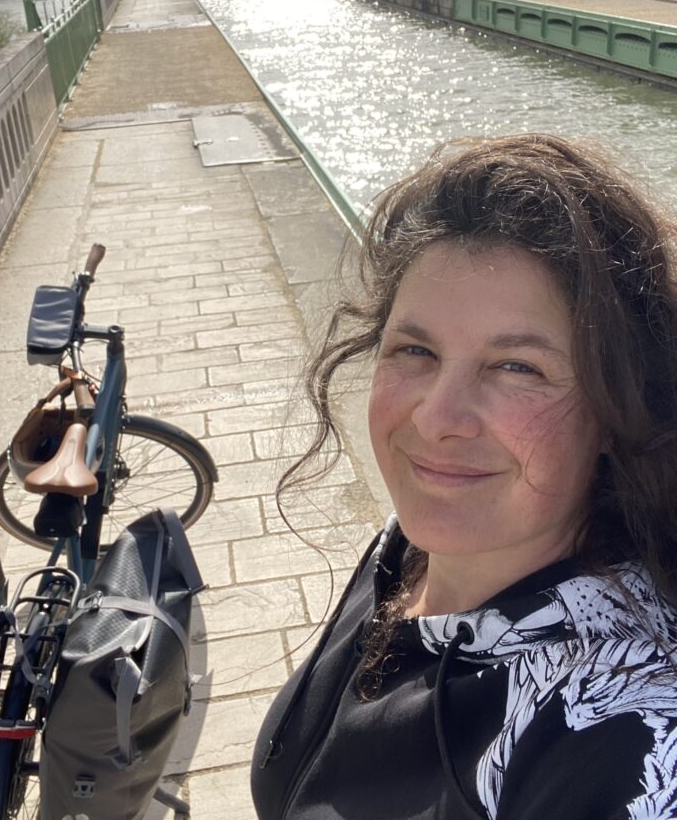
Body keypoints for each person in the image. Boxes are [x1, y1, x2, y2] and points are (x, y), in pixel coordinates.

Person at [250, 134, 677, 820]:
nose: (438, 418)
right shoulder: (408, 548)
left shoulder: (621, 736)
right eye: (415, 349)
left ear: (613, 411)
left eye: (517, 368)